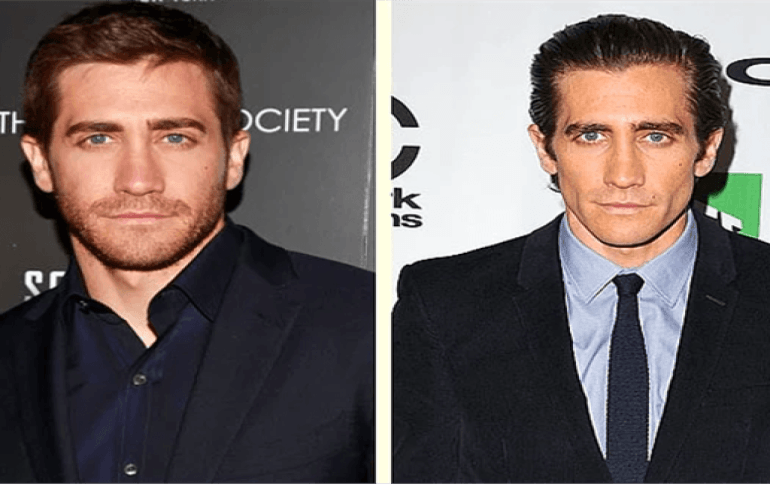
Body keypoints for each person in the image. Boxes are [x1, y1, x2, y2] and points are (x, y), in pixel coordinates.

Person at [0, 2, 373, 483]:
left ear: (233, 157)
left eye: (174, 137)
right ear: (41, 163)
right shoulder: (9, 352)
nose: (138, 180)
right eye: (98, 139)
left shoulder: (365, 327)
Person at [393, 13, 770, 483]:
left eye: (655, 136)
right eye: (592, 135)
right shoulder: (445, 304)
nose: (624, 174)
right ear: (545, 148)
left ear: (707, 149)